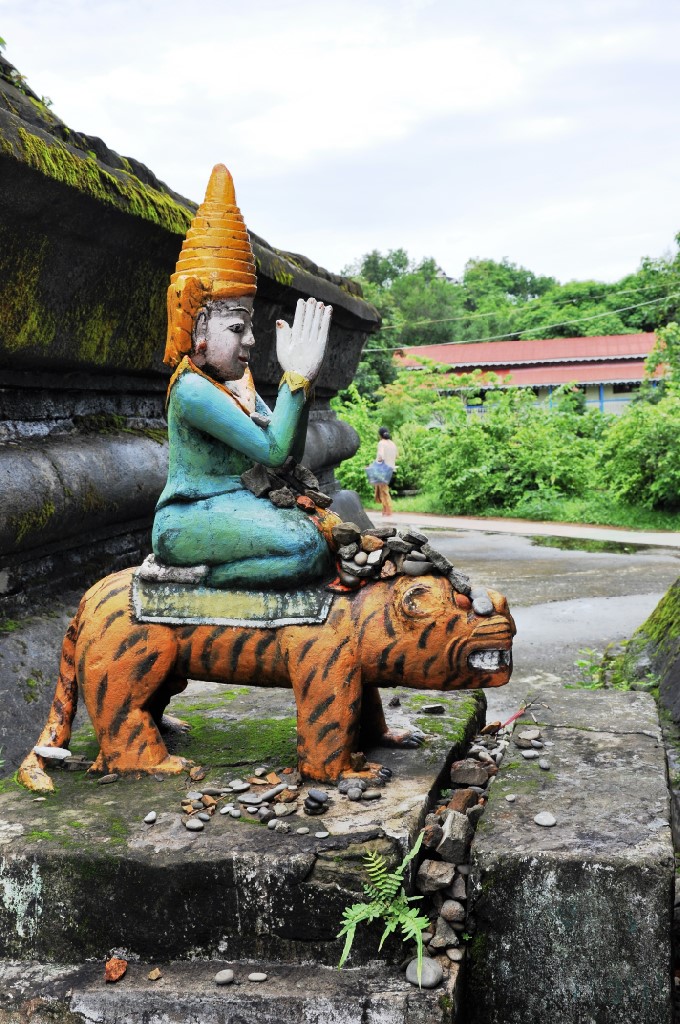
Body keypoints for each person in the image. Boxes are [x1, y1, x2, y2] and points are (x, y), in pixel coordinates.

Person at [151, 164, 336, 589]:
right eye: (238, 327)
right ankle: (198, 578)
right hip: (188, 518)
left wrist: (304, 387)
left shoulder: (238, 382)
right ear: (200, 326)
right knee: (306, 549)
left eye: (250, 326)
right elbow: (271, 451)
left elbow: (287, 453)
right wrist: (294, 378)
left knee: (322, 533)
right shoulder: (192, 389)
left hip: (234, 505)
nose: (251, 339)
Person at [374, 426, 398, 517]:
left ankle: (388, 511)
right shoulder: (392, 443)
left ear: (380, 435)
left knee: (384, 492)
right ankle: (384, 511)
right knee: (384, 491)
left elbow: (381, 457)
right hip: (392, 470)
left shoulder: (381, 443)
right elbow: (397, 456)